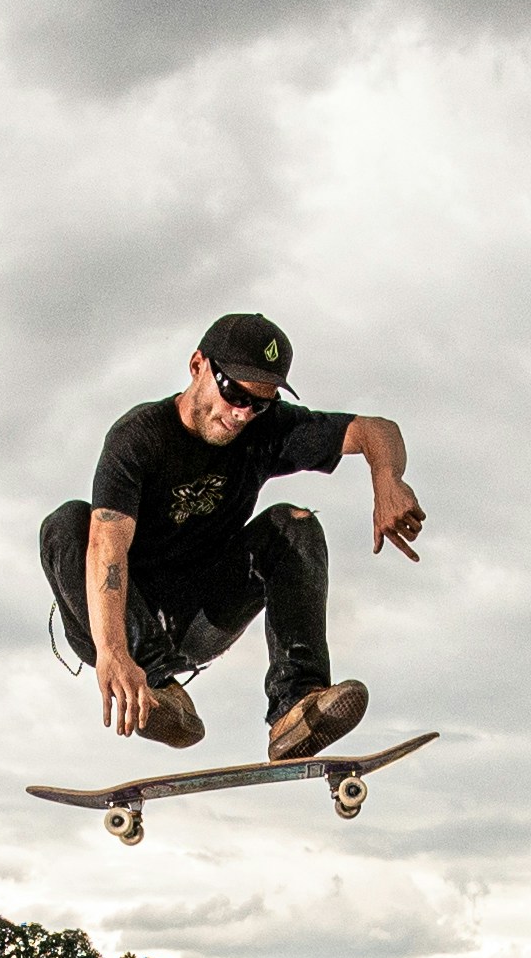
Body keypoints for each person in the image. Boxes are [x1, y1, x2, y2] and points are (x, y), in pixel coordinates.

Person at [41, 312, 426, 757]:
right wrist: (111, 651)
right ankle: (159, 692)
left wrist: (388, 479)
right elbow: (107, 547)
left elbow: (375, 430)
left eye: (258, 403)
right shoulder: (139, 438)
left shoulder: (264, 431)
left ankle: (295, 707)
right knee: (67, 524)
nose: (241, 413)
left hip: (202, 615)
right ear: (197, 365)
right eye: (233, 393)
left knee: (292, 523)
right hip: (121, 617)